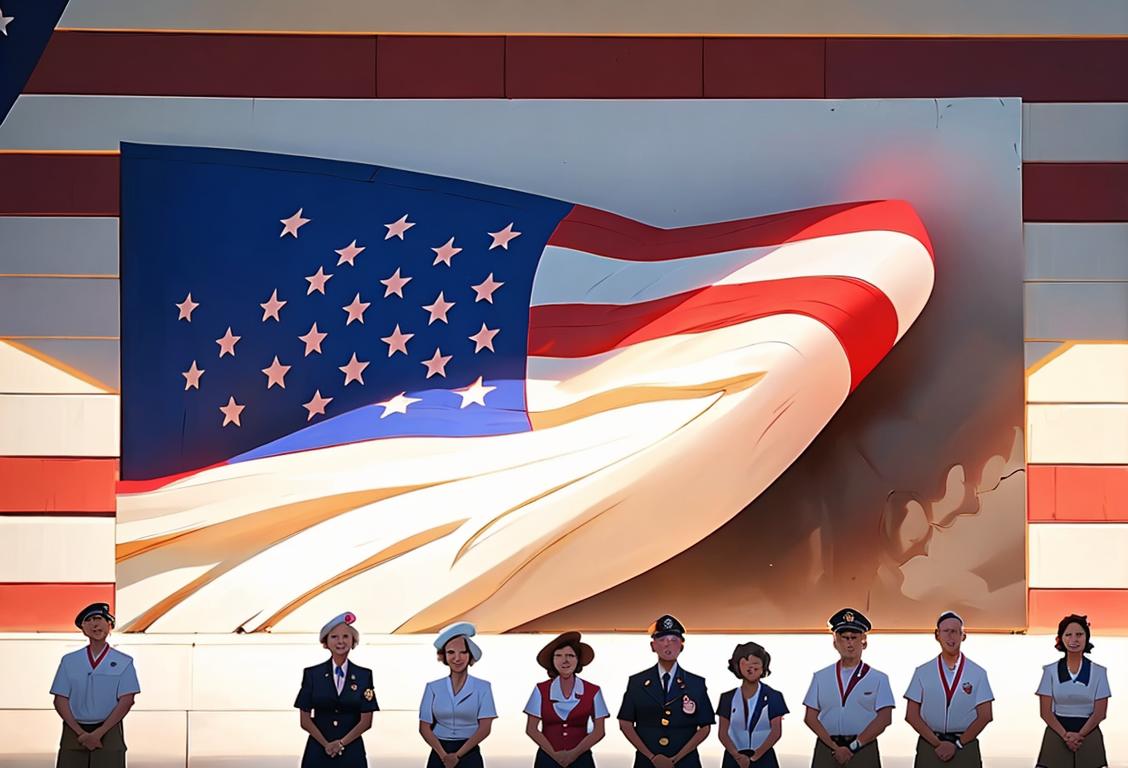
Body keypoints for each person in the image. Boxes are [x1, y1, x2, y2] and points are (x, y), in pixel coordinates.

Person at [49, 602, 141, 768]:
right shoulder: (70, 660)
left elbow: (127, 700)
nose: (95, 624)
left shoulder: (124, 661)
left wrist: (99, 732)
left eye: (99, 619)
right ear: (83, 627)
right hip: (74, 728)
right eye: (89, 620)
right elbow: (60, 699)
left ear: (109, 625)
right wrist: (81, 733)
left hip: (109, 729)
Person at [618, 614, 715, 768]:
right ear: (653, 646)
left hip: (685, 762)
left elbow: (705, 727)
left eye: (673, 640)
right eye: (662, 640)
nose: (667, 645)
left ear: (681, 647)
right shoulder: (637, 682)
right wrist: (651, 757)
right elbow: (625, 722)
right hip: (647, 762)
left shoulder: (696, 683)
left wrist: (676, 759)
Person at [802, 608, 895, 766]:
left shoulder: (878, 678)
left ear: (863, 641)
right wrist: (834, 747)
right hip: (827, 748)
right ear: (835, 642)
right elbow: (810, 717)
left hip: (863, 749)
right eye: (844, 638)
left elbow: (885, 718)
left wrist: (855, 746)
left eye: (854, 637)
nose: (849, 643)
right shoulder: (821, 677)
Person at [904, 611, 993, 767]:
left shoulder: (978, 673)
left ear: (963, 636)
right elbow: (911, 715)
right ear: (937, 635)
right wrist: (937, 744)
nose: (950, 637)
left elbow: (985, 716)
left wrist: (958, 744)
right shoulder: (922, 672)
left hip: (965, 747)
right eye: (945, 631)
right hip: (930, 746)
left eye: (955, 632)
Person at [294, 611, 379, 767]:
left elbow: (366, 721)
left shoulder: (363, 675)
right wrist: (326, 744)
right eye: (334, 637)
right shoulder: (312, 674)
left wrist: (341, 743)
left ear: (353, 641)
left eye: (346, 636)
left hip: (351, 751)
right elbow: (304, 720)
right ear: (326, 642)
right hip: (318, 750)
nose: (340, 641)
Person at [1035, 614, 1111, 768]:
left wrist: (1079, 735)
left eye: (1079, 635)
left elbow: (1100, 713)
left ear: (1087, 637)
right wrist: (1065, 736)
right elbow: (1045, 712)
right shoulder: (1050, 671)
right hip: (1057, 734)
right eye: (1068, 635)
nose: (1074, 640)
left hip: (1089, 735)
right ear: (1061, 638)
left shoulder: (1099, 672)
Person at [525, 631, 609, 768]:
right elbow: (531, 729)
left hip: (582, 761)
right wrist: (554, 754)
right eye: (559, 656)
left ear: (578, 660)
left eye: (570, 655)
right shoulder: (540, 690)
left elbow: (599, 731)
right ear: (553, 660)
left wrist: (573, 754)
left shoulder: (593, 691)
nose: (565, 660)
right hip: (547, 760)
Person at [419, 622, 497, 768]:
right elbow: (424, 727)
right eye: (451, 652)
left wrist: (458, 755)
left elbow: (485, 728)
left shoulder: (483, 687)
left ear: (470, 655)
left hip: (469, 752)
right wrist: (444, 756)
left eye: (463, 652)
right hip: (439, 751)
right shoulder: (433, 687)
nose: (457, 658)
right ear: (444, 656)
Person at [716, 641, 788, 768]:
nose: (751, 668)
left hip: (764, 758)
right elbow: (723, 733)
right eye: (745, 663)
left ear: (763, 667)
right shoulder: (727, 698)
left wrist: (755, 757)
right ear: (737, 666)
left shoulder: (774, 696)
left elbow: (776, 732)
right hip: (733, 759)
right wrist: (737, 756)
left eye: (755, 663)